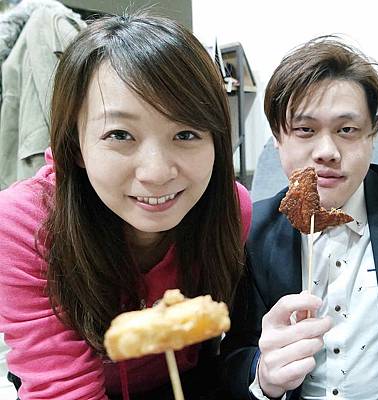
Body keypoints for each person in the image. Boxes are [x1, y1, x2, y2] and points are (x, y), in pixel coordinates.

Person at [0, 13, 252, 400]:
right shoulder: (23, 225)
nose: (156, 173)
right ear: (76, 145)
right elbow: (64, 390)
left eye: (186, 133)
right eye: (120, 134)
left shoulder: (231, 210)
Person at [221, 37, 378, 400]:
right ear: (278, 138)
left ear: (372, 136)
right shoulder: (251, 232)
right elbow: (231, 357)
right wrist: (264, 376)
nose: (327, 152)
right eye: (305, 130)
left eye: (347, 130)